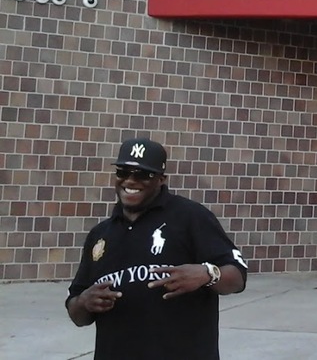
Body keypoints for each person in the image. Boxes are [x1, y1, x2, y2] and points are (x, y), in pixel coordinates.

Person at [65, 137, 248, 360]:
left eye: (143, 174)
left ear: (161, 179)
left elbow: (237, 277)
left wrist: (207, 274)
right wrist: (85, 302)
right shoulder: (100, 236)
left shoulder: (191, 217)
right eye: (123, 172)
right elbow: (77, 314)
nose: (130, 181)